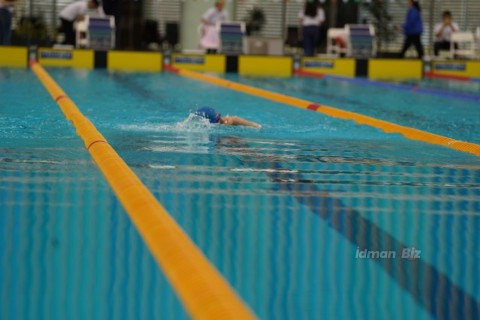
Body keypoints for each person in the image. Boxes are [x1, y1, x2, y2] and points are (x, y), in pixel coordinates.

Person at [195, 107, 261, 129]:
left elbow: (258, 127)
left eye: (219, 119)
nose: (220, 120)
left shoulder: (234, 120)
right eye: (218, 120)